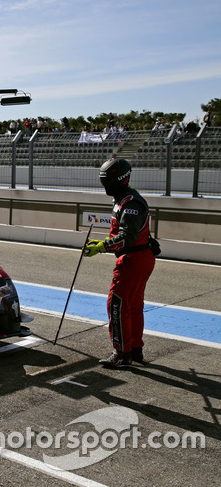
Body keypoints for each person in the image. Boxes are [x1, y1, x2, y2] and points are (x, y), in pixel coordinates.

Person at [83, 157, 156, 369]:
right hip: (140, 256)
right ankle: (135, 349)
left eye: (108, 182)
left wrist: (101, 247)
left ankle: (122, 353)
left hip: (133, 259)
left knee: (117, 304)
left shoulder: (131, 202)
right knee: (133, 305)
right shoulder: (124, 198)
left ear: (121, 179)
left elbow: (128, 237)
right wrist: (103, 243)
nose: (105, 187)